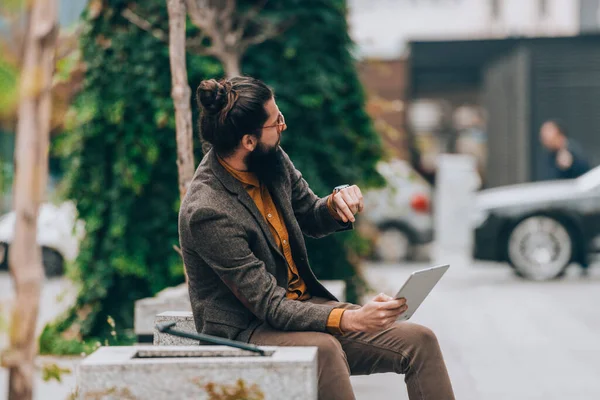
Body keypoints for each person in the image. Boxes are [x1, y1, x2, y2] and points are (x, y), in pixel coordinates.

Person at [178, 76, 455, 400]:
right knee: (324, 349)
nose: (284, 125)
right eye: (276, 121)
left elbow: (309, 212)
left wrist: (335, 206)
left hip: (303, 309)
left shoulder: (271, 160)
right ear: (249, 141)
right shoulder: (208, 211)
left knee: (419, 341)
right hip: (246, 332)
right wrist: (350, 318)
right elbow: (269, 305)